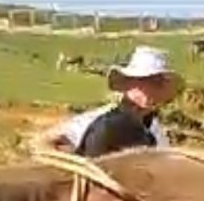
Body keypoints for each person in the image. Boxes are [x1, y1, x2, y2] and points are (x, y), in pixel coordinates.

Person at [33, 45, 181, 157]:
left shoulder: (156, 132)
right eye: (144, 81)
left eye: (156, 84)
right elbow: (42, 142)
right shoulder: (97, 120)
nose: (149, 89)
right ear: (128, 83)